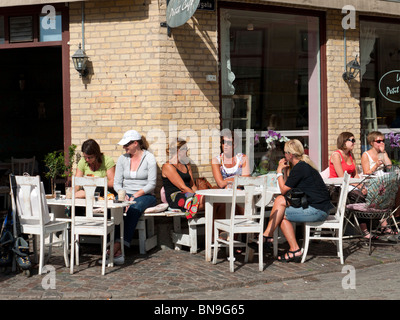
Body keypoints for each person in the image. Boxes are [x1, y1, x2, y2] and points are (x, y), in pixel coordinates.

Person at [255, 139, 333, 262]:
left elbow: (283, 190)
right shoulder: (302, 166)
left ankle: (287, 246)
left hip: (317, 211)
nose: (284, 155)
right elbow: (289, 187)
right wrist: (285, 170)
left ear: (290, 155)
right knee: (281, 202)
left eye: (285, 153)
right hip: (318, 208)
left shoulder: (300, 168)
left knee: (281, 213)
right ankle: (268, 237)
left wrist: (278, 171)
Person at [110, 130, 157, 265]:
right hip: (125, 194)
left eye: (126, 145)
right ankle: (116, 250)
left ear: (136, 143)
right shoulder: (122, 159)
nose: (124, 147)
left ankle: (117, 247)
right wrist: (123, 195)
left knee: (134, 208)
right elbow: (117, 183)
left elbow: (152, 184)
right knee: (113, 208)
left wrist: (135, 195)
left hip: (145, 195)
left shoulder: (149, 158)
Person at [361, 131, 399, 236]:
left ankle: (389, 221)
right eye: (378, 141)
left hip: (382, 183)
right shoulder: (366, 155)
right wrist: (376, 165)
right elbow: (366, 173)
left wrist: (383, 153)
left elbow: (390, 167)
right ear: (372, 142)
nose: (381, 143)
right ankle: (387, 223)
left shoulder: (382, 153)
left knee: (394, 190)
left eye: (383, 141)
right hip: (372, 183)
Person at [211, 130, 251, 219]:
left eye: (228, 143)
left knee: (239, 203)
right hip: (224, 195)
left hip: (241, 194)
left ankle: (243, 229)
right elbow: (220, 183)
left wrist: (227, 181)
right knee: (224, 206)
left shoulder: (243, 158)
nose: (225, 145)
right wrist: (237, 178)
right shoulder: (216, 160)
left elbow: (246, 180)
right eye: (223, 142)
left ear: (235, 145)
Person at [162, 138, 204, 217]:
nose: (187, 151)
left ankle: (212, 226)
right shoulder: (168, 166)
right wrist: (198, 196)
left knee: (209, 202)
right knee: (204, 202)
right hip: (176, 196)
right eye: (185, 149)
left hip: (189, 193)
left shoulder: (186, 164)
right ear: (178, 150)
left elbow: (192, 185)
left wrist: (199, 194)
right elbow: (182, 187)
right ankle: (190, 212)